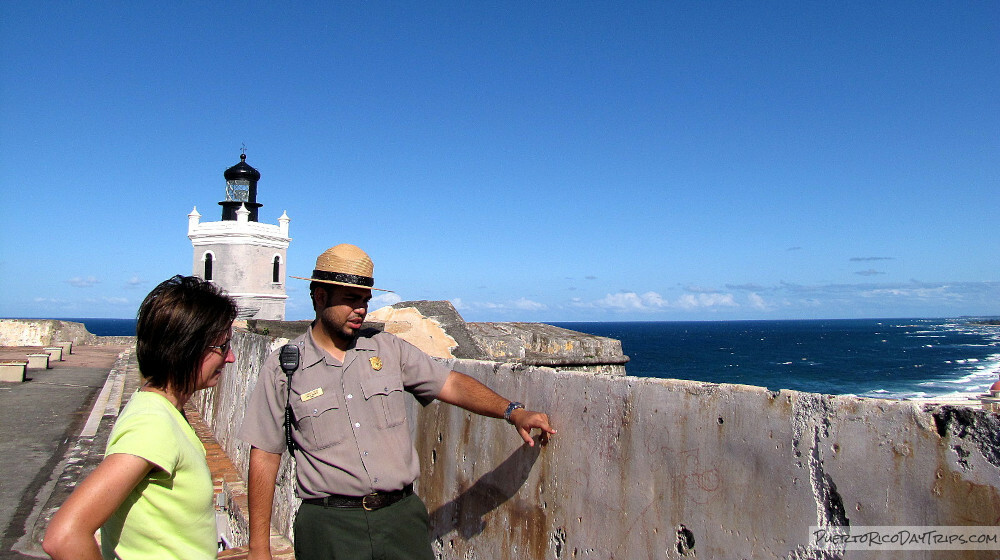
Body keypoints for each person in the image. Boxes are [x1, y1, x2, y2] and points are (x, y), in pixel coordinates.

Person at [239, 244, 556, 560]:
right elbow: (265, 456)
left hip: (401, 520)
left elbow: (451, 383)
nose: (361, 309)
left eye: (365, 300)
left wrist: (513, 412)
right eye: (350, 299)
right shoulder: (285, 368)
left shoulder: (388, 350)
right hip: (329, 527)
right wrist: (258, 549)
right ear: (319, 296)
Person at [43, 275, 238, 560]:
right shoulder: (152, 423)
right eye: (222, 347)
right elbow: (64, 536)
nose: (230, 357)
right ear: (188, 348)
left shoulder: (163, 412)